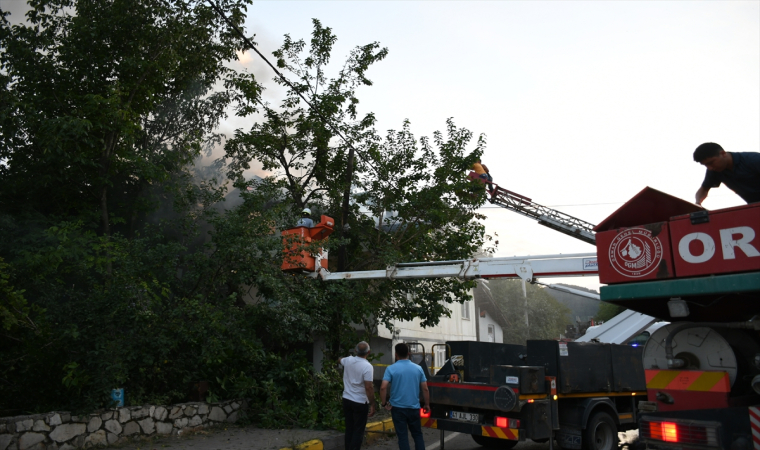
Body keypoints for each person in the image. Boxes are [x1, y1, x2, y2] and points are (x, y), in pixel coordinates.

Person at [380, 343, 430, 450]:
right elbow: (425, 388)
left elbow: (383, 387)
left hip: (397, 409)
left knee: (402, 437)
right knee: (417, 434)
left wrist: (384, 403)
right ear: (408, 354)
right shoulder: (418, 369)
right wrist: (426, 404)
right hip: (414, 408)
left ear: (396, 354)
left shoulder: (391, 369)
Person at [693, 143, 760, 205]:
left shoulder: (754, 159)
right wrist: (697, 203)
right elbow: (704, 189)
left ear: (723, 154)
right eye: (705, 165)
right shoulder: (714, 170)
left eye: (711, 163)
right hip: (754, 207)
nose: (709, 168)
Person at [339, 341, 376, 450]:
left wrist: (342, 359)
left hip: (347, 399)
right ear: (368, 352)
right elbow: (369, 387)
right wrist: (372, 404)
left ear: (355, 351)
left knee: (349, 428)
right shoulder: (367, 366)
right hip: (360, 402)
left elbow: (340, 359)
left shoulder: (348, 360)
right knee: (358, 430)